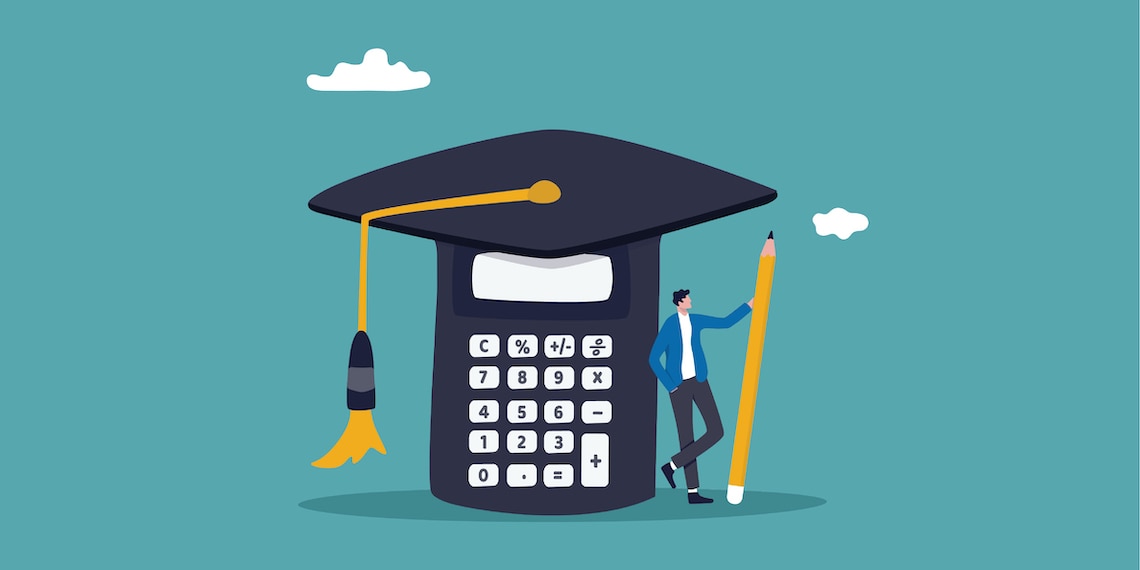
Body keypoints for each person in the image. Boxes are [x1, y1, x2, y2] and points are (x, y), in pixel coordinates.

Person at [648, 289, 752, 504]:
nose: (691, 300)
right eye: (688, 298)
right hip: (678, 387)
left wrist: (749, 306)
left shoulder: (695, 320)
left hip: (700, 381)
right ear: (679, 302)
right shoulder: (669, 324)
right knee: (686, 437)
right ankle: (692, 493)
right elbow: (653, 358)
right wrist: (670, 385)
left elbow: (725, 323)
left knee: (716, 430)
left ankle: (672, 465)